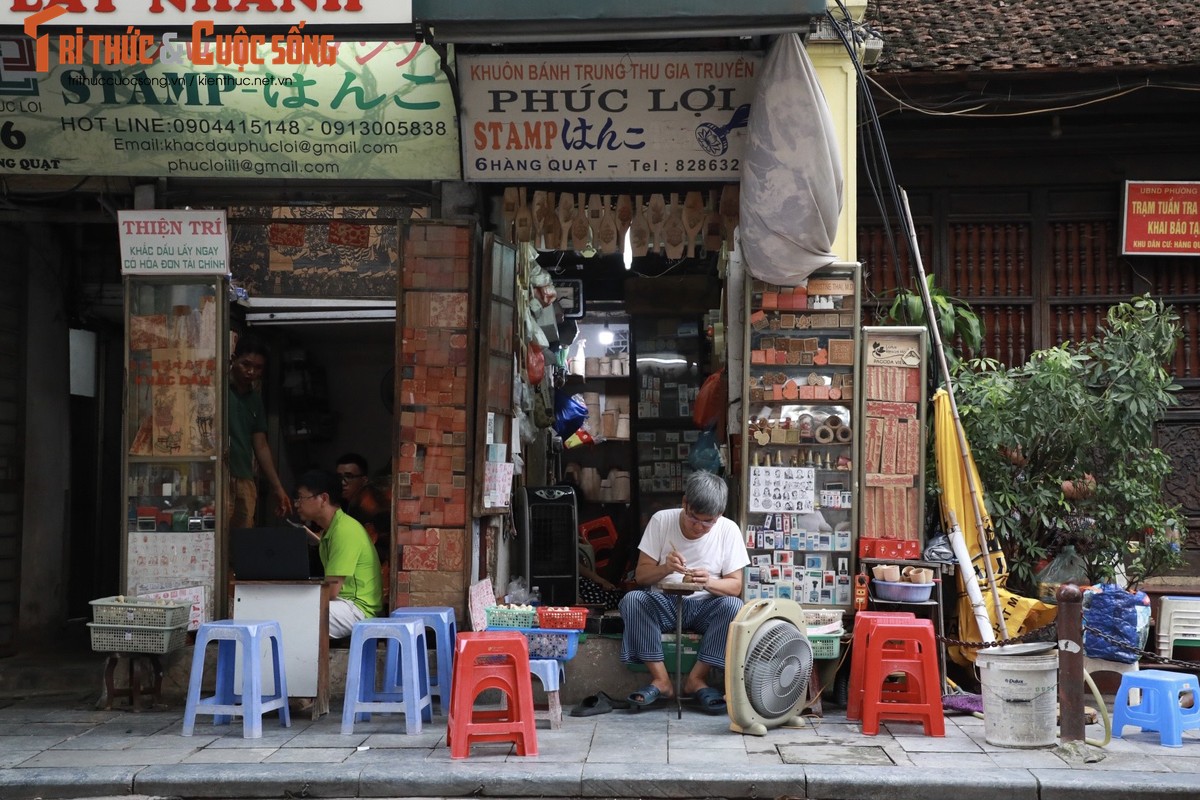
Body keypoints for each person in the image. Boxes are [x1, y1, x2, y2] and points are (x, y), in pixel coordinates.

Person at [619, 471, 749, 715]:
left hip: (706, 607)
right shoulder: (661, 521)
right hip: (664, 603)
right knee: (633, 600)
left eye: (707, 522)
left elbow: (735, 586)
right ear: (684, 503)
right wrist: (666, 568)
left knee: (733, 607)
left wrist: (709, 582)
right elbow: (641, 576)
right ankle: (661, 681)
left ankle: (696, 680)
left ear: (719, 516)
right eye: (693, 518)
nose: (699, 527)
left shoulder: (728, 530)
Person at [293, 469, 383, 639]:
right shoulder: (330, 531)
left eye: (301, 498)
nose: (297, 504)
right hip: (342, 604)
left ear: (323, 499)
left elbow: (331, 591)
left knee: (298, 615)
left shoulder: (344, 530)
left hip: (358, 608)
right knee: (290, 612)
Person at [227, 333, 291, 529]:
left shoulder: (255, 399)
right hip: (219, 475)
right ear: (233, 359)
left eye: (258, 368)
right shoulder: (218, 390)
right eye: (246, 364)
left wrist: (278, 487)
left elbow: (260, 445)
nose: (251, 372)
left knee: (243, 538)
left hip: (244, 477)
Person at [334, 452, 391, 565]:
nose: (343, 482)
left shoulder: (376, 505)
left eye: (349, 476)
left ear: (364, 480)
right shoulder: (336, 506)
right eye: (339, 477)